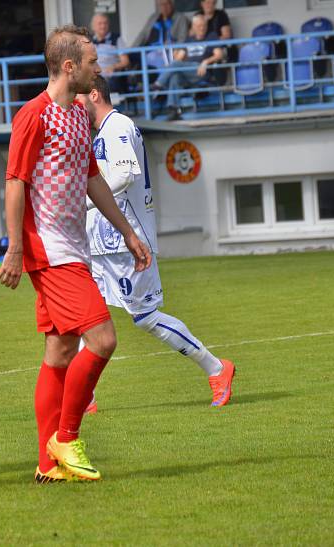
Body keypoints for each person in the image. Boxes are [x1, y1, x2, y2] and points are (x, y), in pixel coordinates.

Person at [0, 25, 152, 484]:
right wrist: (15, 246)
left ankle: (49, 465)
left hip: (75, 247)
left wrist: (126, 232)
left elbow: (92, 179)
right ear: (69, 67)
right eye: (91, 61)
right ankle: (67, 436)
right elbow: (14, 181)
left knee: (60, 350)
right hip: (51, 250)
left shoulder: (80, 116)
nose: (97, 68)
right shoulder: (33, 115)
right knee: (103, 339)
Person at [79, 75, 236, 411]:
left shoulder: (118, 125)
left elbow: (123, 176)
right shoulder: (102, 133)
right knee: (87, 314)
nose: (73, 106)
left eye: (77, 98)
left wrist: (82, 200)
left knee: (146, 317)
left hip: (126, 243)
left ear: (93, 95)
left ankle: (218, 369)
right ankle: (84, 396)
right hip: (102, 244)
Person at [150, 14, 225, 114]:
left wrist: (205, 62)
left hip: (201, 70)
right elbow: (180, 57)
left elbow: (219, 54)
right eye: (199, 26)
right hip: (188, 72)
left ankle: (159, 84)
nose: (202, 28)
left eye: (204, 25)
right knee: (175, 76)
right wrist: (175, 54)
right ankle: (173, 108)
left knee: (176, 65)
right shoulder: (189, 40)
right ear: (193, 27)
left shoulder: (211, 36)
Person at [132, 0, 189, 69]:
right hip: (150, 50)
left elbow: (183, 37)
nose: (164, 7)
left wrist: (176, 49)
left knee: (157, 62)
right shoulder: (153, 17)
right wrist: (132, 49)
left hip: (169, 51)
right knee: (129, 58)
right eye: (162, 4)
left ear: (172, 4)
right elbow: (143, 34)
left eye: (167, 4)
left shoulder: (181, 18)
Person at [90, 13, 129, 94]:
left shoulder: (116, 38)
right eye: (100, 23)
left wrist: (113, 67)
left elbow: (125, 61)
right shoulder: (88, 41)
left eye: (105, 23)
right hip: (94, 75)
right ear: (93, 26)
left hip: (110, 76)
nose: (103, 26)